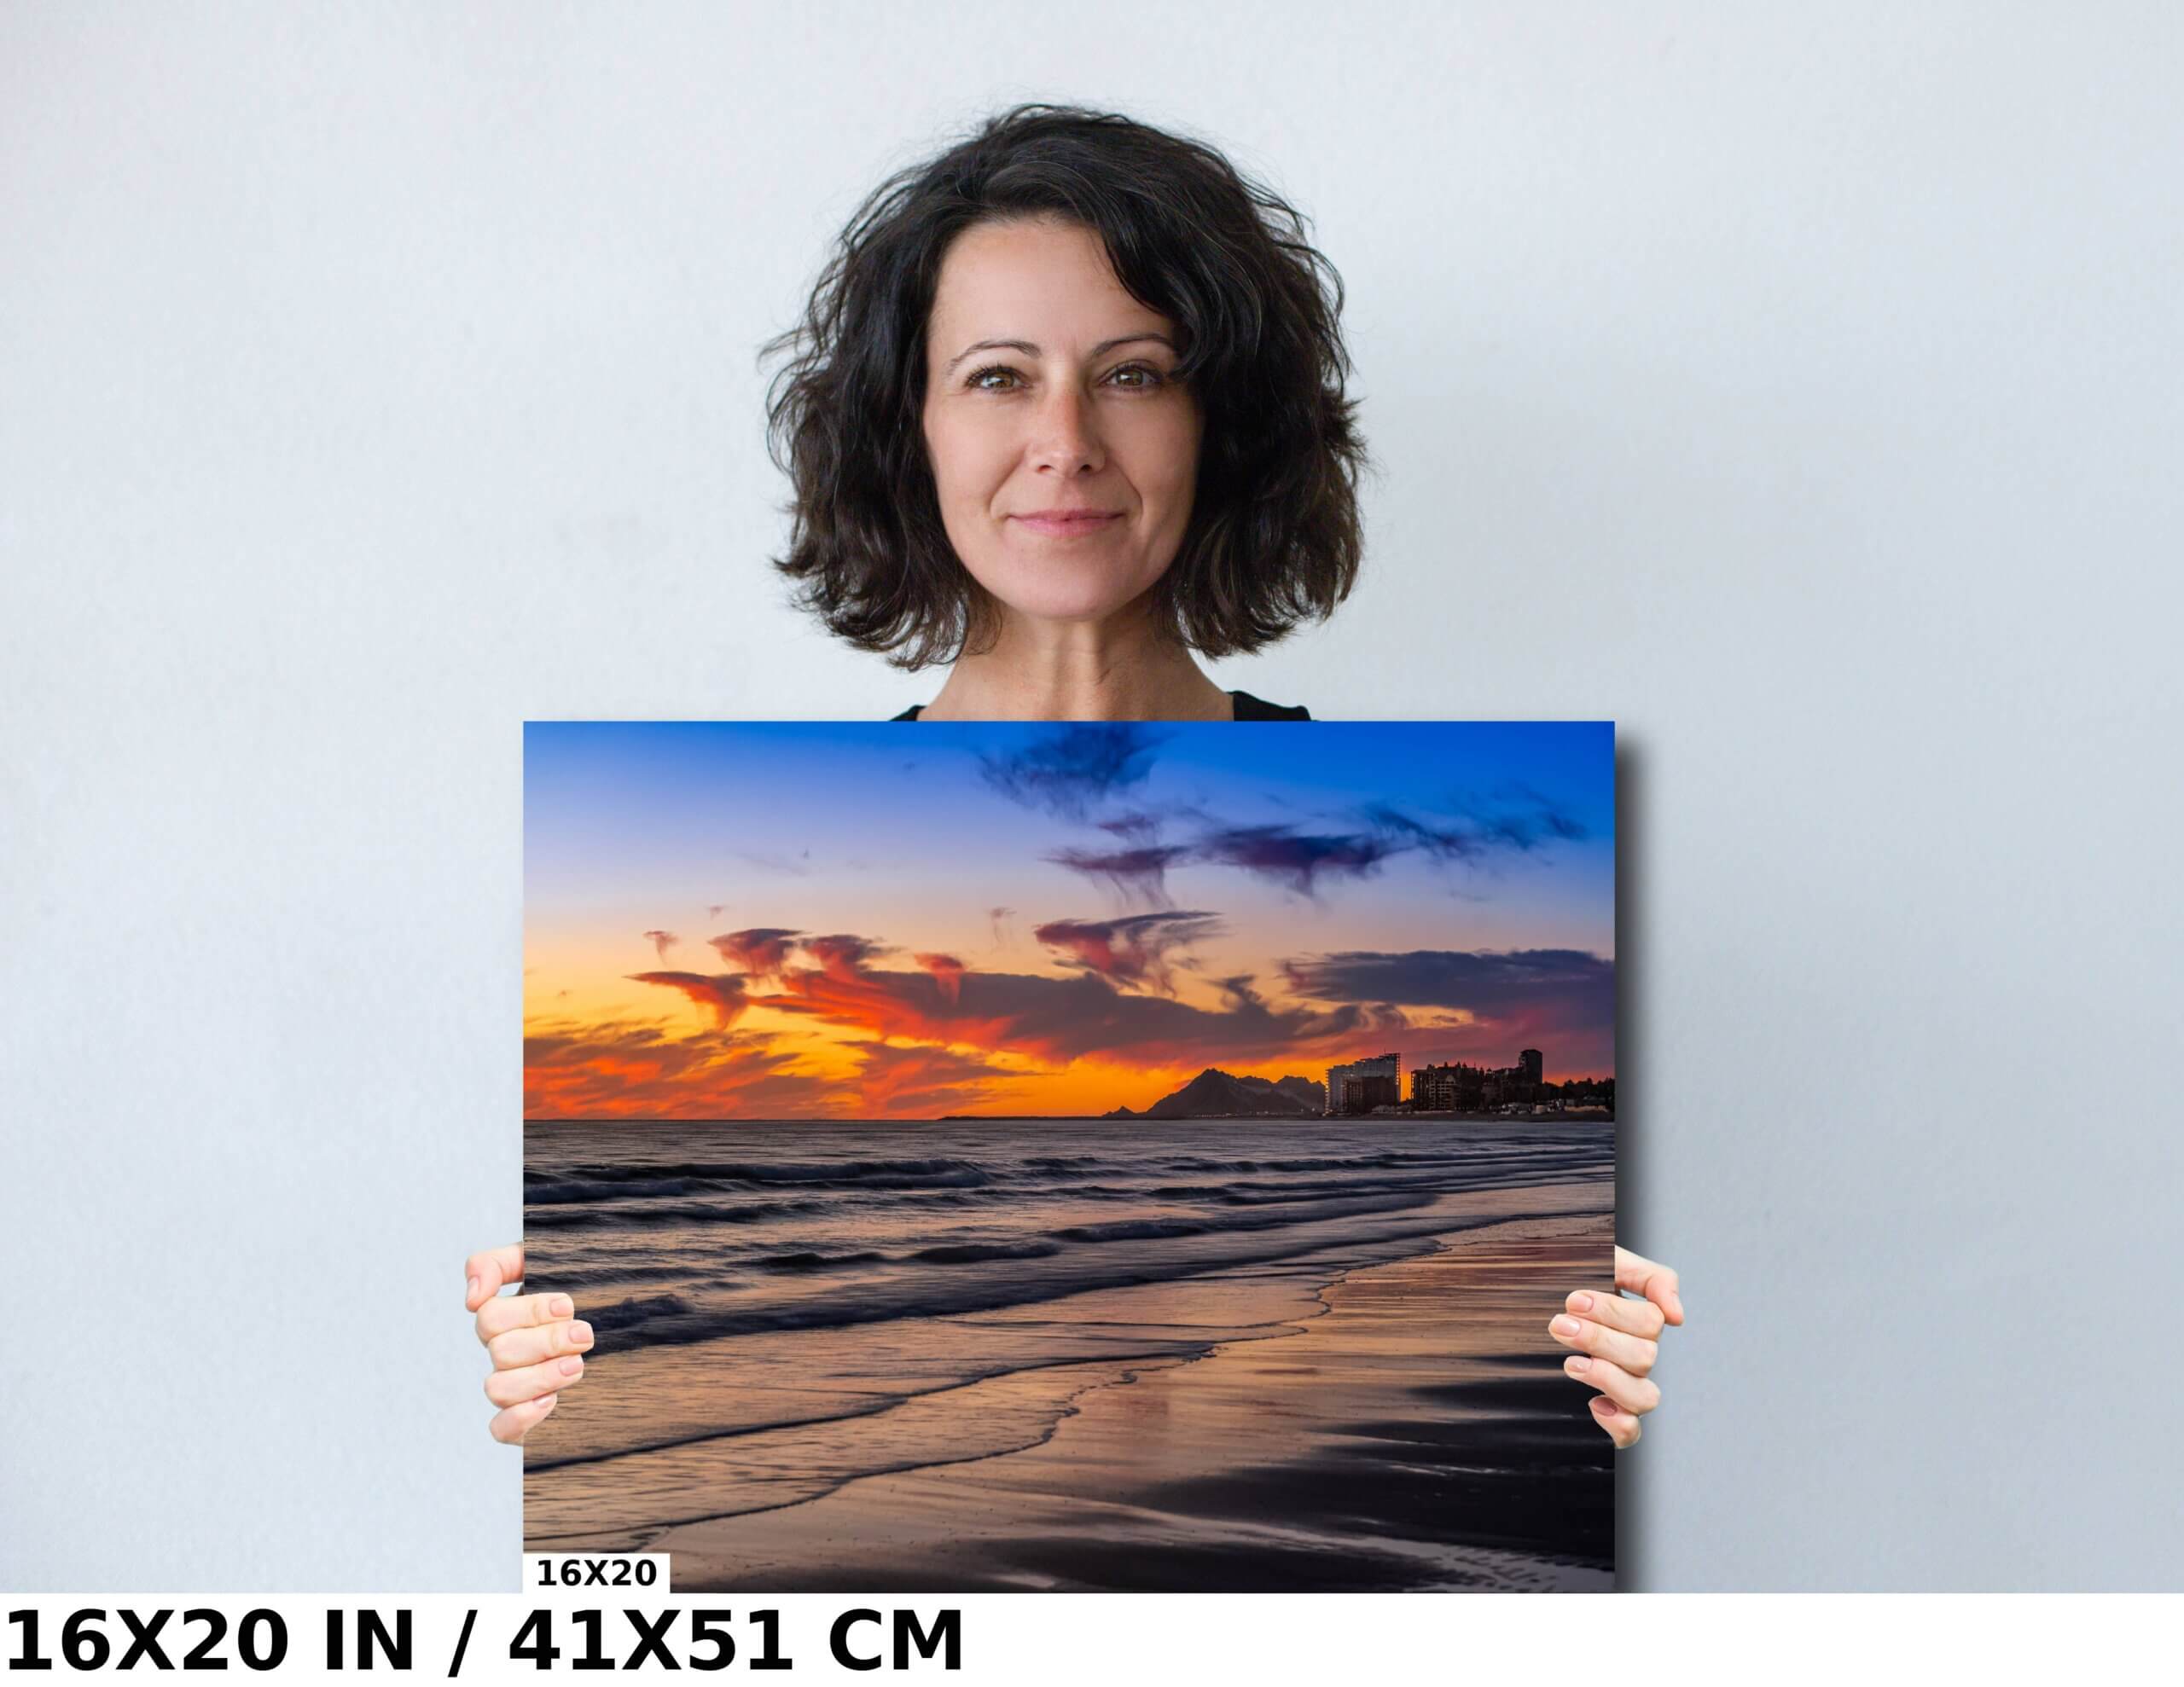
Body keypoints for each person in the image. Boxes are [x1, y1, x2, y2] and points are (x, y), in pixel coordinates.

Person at [468, 102, 1682, 1451]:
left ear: (1219, 423)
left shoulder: (1451, 829)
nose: (1067, 440)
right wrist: (584, 1384)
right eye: (997, 376)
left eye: (1135, 372)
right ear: (909, 426)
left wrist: (1577, 1392)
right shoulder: (733, 856)